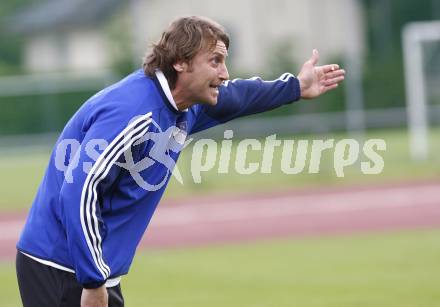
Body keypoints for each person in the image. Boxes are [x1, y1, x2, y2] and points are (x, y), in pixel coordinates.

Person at [16, 16, 345, 307]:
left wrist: (296, 87)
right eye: (214, 61)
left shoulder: (183, 105)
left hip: (92, 270)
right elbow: (79, 190)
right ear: (181, 62)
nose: (225, 73)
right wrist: (92, 281)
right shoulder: (133, 112)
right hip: (60, 267)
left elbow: (240, 96)